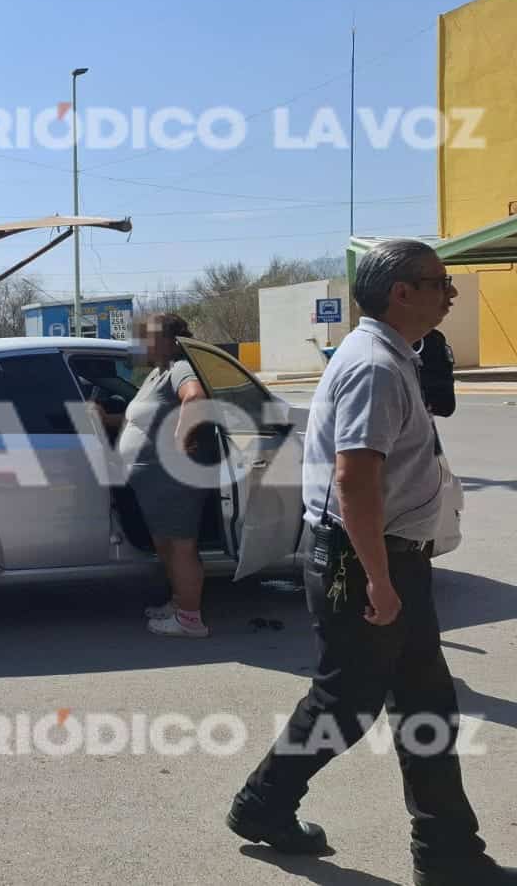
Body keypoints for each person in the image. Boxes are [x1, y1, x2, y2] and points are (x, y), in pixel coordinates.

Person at [227, 241, 514, 885]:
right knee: (347, 702)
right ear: (400, 292)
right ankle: (262, 804)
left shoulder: (393, 356)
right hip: (364, 563)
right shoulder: (375, 365)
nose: (450, 294)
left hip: (386, 557)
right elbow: (355, 480)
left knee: (425, 704)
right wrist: (381, 580)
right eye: (438, 283)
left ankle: (448, 855)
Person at [115, 313, 213, 638]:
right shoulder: (157, 373)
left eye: (150, 336)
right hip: (154, 482)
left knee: (181, 546)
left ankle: (190, 619)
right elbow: (145, 417)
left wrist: (182, 438)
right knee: (166, 546)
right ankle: (178, 602)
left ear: (170, 341)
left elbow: (195, 397)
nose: (143, 343)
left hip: (173, 478)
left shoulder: (180, 367)